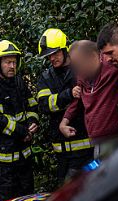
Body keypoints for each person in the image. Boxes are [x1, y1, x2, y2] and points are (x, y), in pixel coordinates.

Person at [0, 40, 39, 201]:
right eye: (7, 62)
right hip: (2, 161)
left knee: (27, 200)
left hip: (23, 157)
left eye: (14, 62)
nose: (12, 66)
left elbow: (32, 104)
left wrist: (33, 121)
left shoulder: (19, 82)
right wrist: (23, 132)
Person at [36, 28, 94, 184]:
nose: (52, 58)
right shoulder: (46, 77)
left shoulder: (81, 69)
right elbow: (43, 105)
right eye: (48, 56)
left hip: (85, 147)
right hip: (60, 150)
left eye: (55, 53)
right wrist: (67, 95)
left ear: (64, 49)